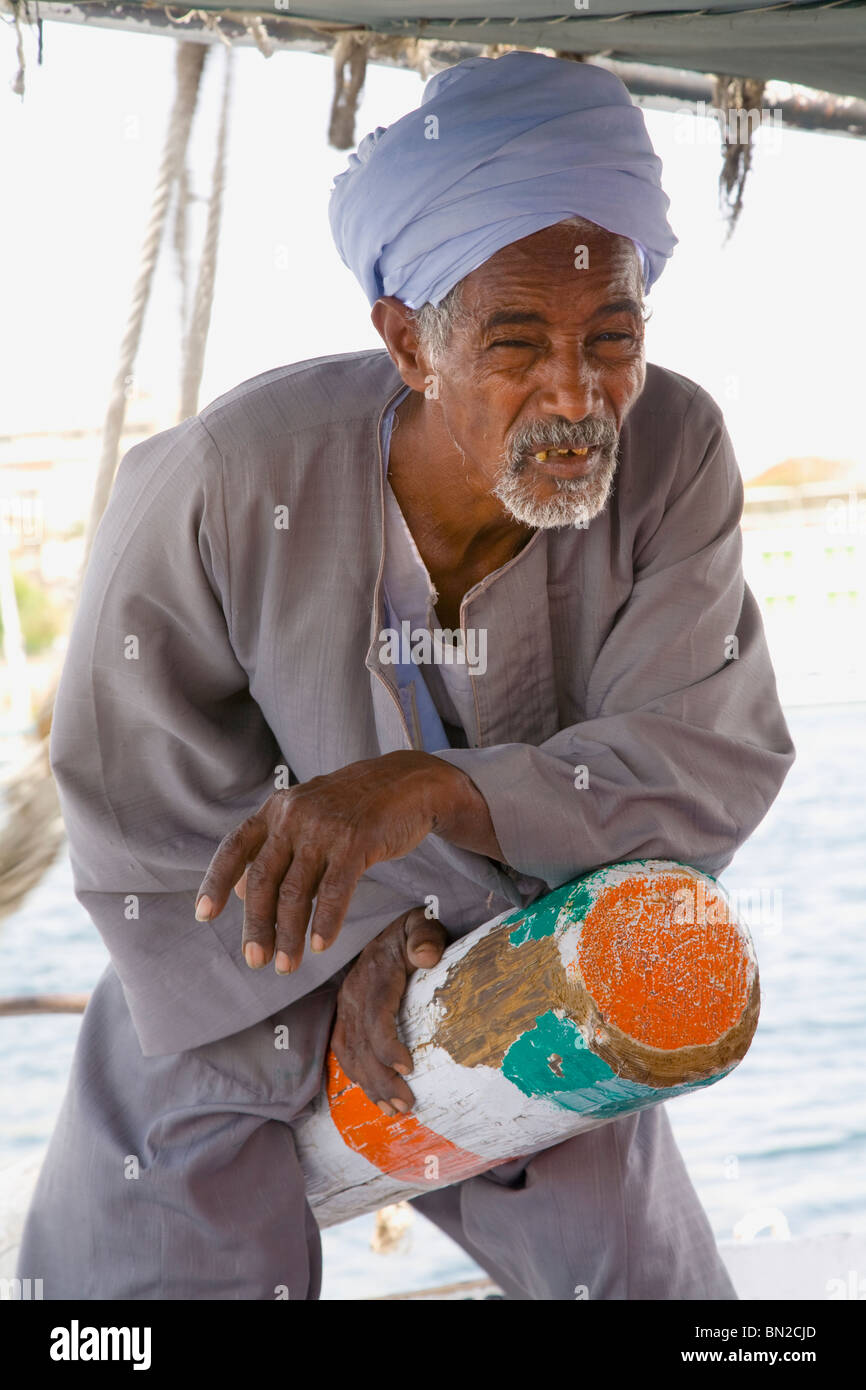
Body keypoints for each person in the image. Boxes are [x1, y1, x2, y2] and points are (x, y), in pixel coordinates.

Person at [17, 51, 794, 1300]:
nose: (577, 394)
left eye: (613, 337)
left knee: (647, 1286)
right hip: (240, 988)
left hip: (519, 962)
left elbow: (700, 763)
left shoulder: (675, 451)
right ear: (405, 340)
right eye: (517, 342)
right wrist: (368, 942)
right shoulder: (226, 479)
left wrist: (428, 798)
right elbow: (140, 803)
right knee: (135, 1280)